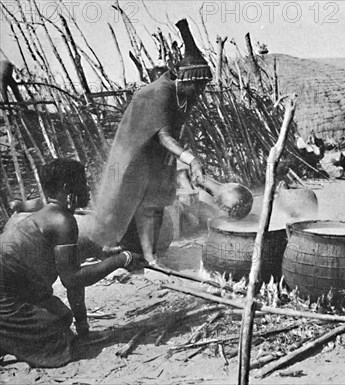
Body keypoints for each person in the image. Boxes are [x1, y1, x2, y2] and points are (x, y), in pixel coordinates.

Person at [0, 158, 143, 368]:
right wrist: (121, 260)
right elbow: (72, 279)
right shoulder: (63, 222)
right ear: (67, 187)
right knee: (57, 340)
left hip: (15, 289)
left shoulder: (52, 215)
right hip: (5, 293)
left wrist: (82, 327)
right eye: (83, 183)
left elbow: (74, 272)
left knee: (62, 316)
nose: (87, 189)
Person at [91, 19, 211, 267]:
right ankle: (114, 252)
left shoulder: (185, 95)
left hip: (158, 155)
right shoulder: (158, 93)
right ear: (185, 79)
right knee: (122, 200)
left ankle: (148, 257)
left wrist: (190, 159)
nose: (200, 91)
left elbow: (179, 130)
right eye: (197, 86)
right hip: (132, 154)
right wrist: (190, 159)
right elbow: (163, 134)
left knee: (155, 203)